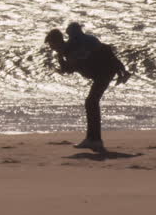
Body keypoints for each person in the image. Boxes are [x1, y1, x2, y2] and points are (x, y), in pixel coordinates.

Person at [46, 25, 130, 153]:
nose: (51, 48)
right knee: (91, 102)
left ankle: (95, 140)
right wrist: (61, 60)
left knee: (91, 102)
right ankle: (92, 139)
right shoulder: (68, 50)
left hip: (104, 72)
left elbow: (74, 64)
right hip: (103, 72)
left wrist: (63, 62)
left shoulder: (71, 48)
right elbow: (72, 66)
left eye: (51, 44)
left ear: (56, 41)